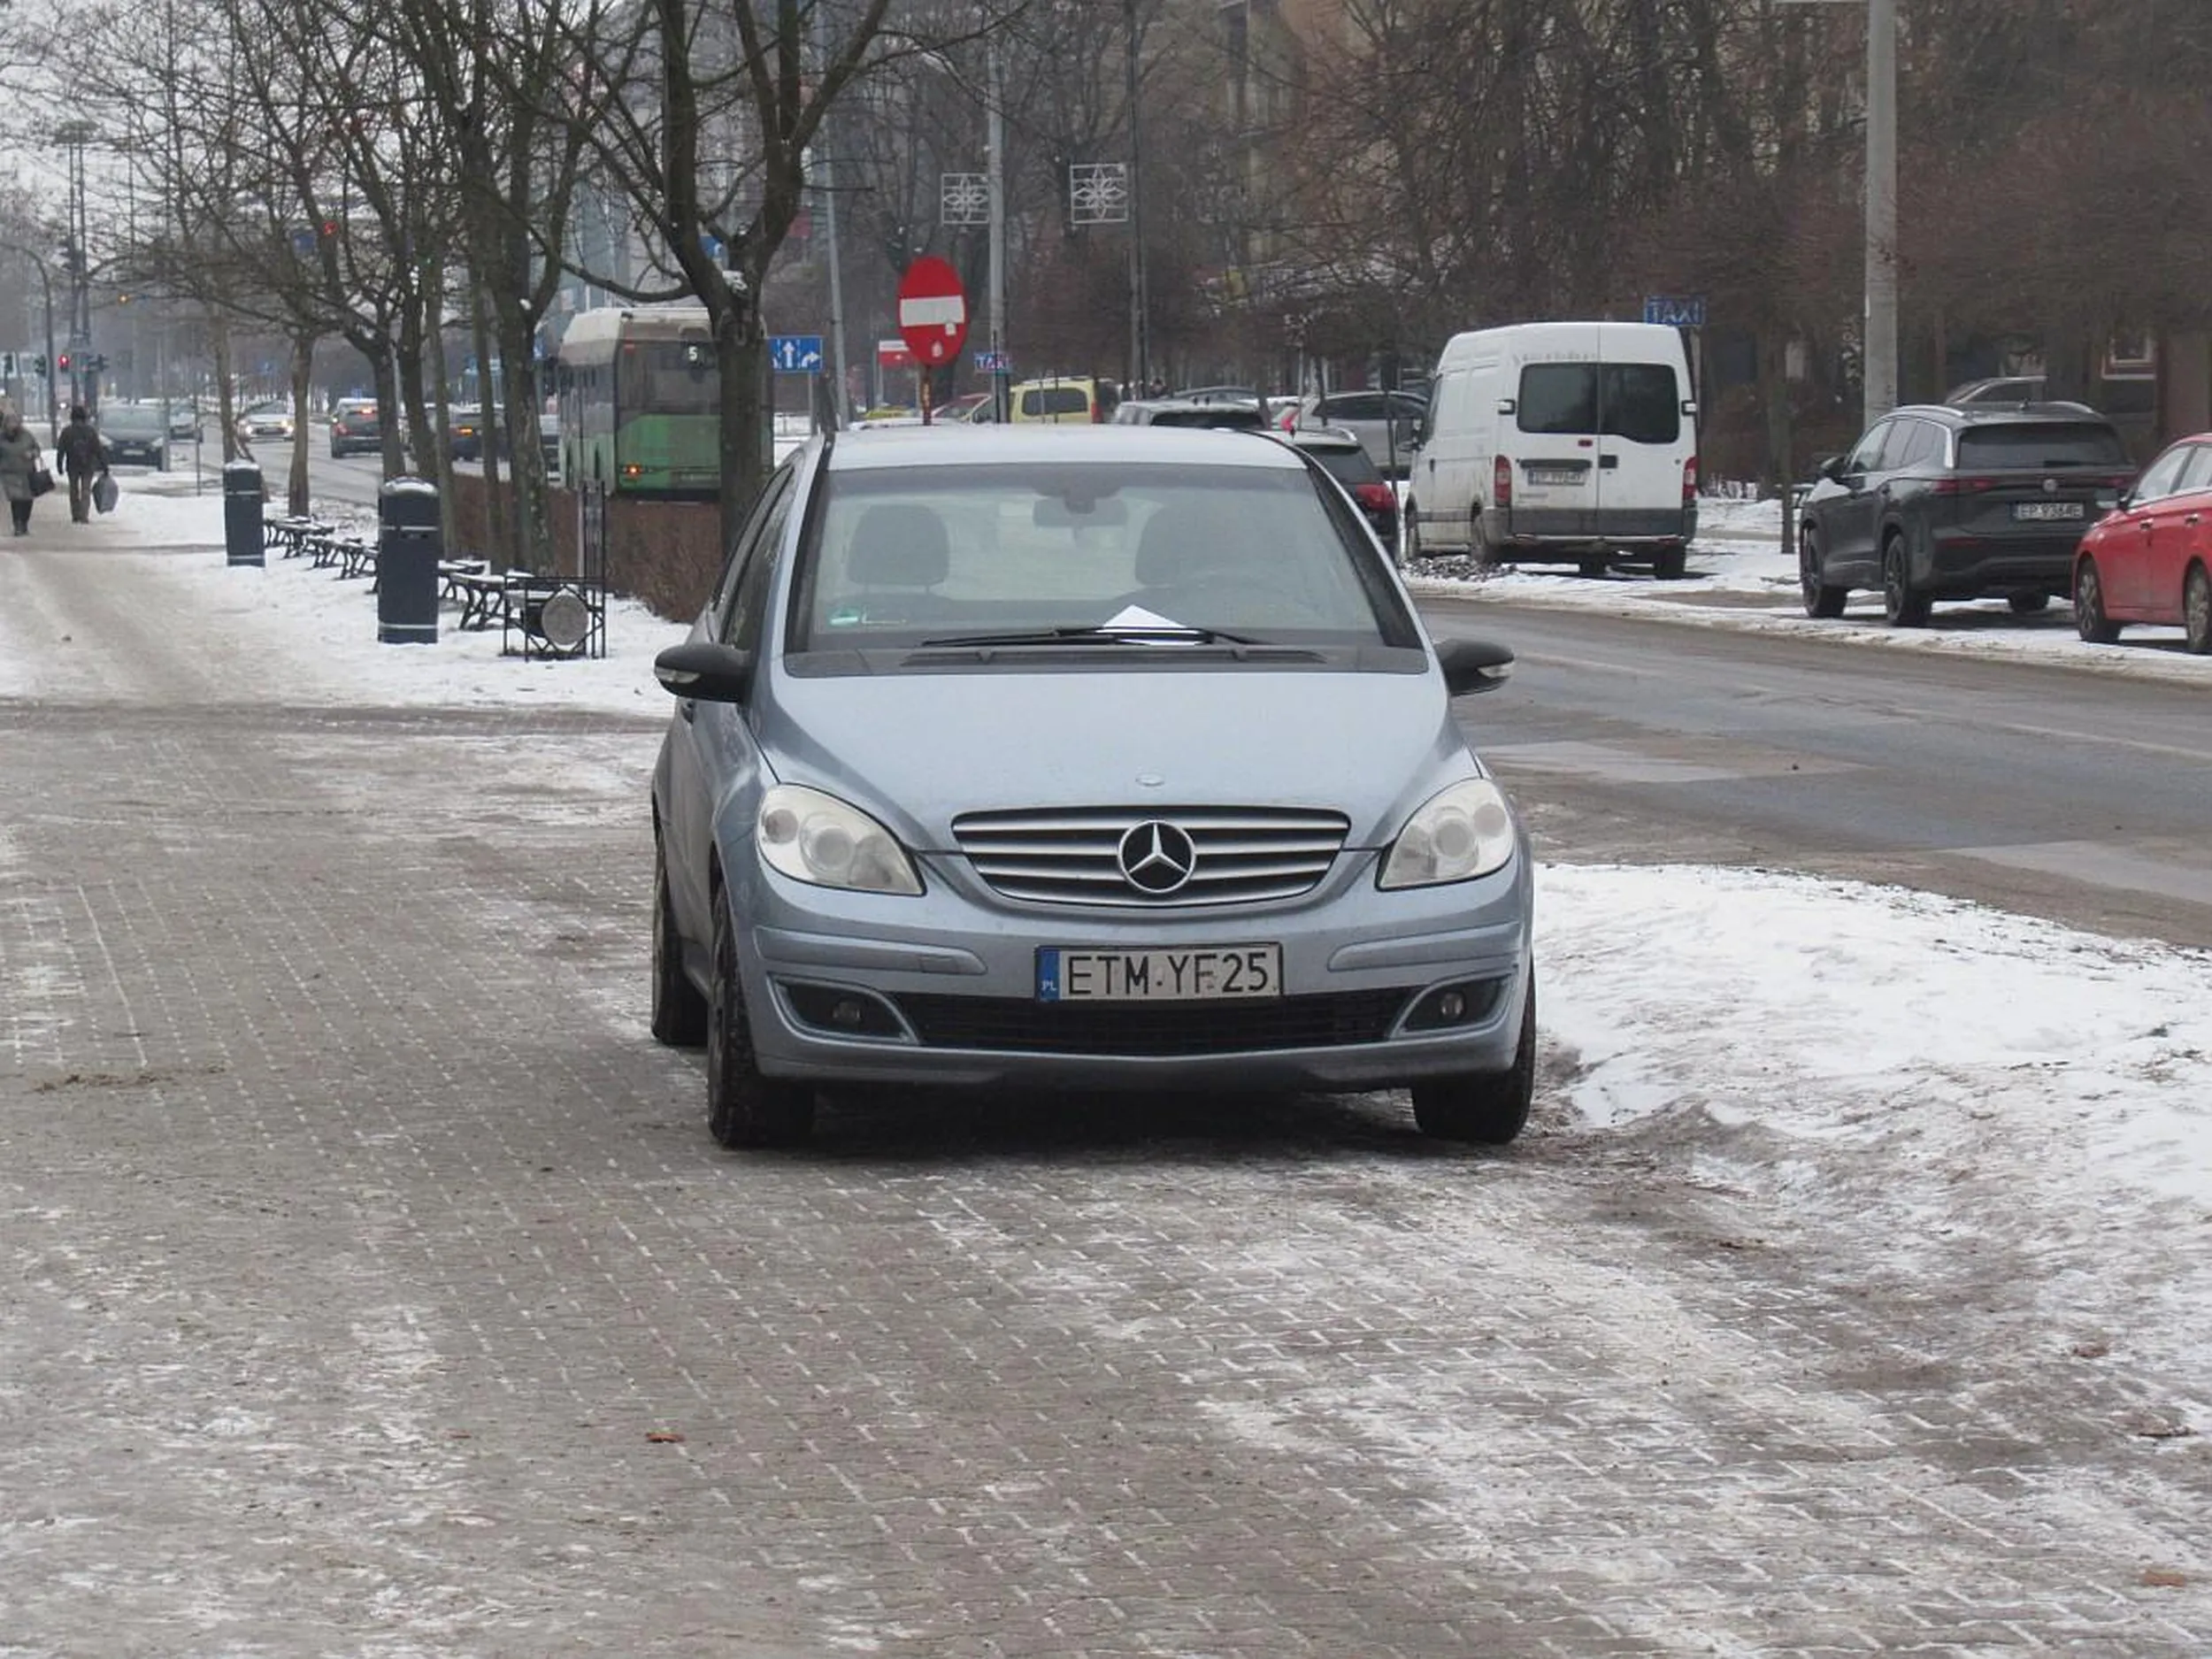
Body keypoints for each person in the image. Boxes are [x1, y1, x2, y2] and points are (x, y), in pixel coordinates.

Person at [56, 404, 109, 524]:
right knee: (86, 490)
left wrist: (59, 465)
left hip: (72, 465)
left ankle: (75, 514)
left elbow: (61, 450)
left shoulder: (67, 431)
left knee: (73, 490)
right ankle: (84, 515)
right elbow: (98, 449)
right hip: (88, 465)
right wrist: (104, 465)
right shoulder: (90, 431)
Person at [0, 405, 48, 537]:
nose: (12, 425)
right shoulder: (1, 437)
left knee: (27, 500)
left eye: (14, 422)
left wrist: (32, 454)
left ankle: (24, 523)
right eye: (9, 422)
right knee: (16, 500)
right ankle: (18, 525)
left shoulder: (27, 436)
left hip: (27, 472)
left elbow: (36, 449)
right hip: (9, 473)